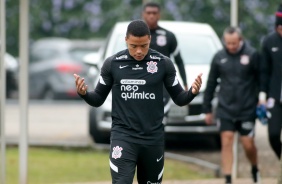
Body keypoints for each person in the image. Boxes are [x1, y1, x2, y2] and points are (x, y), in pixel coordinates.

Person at [74, 20, 202, 184]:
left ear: (150, 39)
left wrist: (192, 92)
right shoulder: (112, 64)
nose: (139, 51)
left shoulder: (163, 64)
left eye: (144, 45)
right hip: (123, 137)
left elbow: (179, 98)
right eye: (134, 46)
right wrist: (84, 93)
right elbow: (98, 98)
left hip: (152, 139)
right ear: (126, 40)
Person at [202, 26, 261, 184]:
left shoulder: (252, 54)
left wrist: (261, 98)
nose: (231, 46)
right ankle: (228, 178)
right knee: (227, 141)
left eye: (234, 43)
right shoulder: (219, 57)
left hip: (247, 108)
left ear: (240, 40)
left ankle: (254, 168)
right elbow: (211, 83)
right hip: (226, 108)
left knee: (248, 144)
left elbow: (261, 79)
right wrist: (206, 109)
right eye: (228, 43)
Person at [142, 2, 188, 120]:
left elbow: (179, 61)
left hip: (162, 85)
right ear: (143, 14)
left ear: (159, 15)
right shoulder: (136, 36)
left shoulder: (168, 36)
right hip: (141, 83)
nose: (151, 16)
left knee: (160, 121)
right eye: (148, 13)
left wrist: (185, 83)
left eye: (154, 13)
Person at [260, 3, 282, 160]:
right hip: (275, 96)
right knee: (273, 134)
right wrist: (262, 95)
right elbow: (264, 71)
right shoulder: (269, 41)